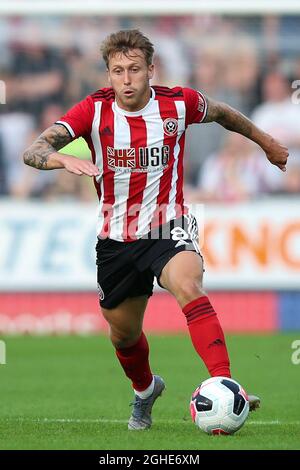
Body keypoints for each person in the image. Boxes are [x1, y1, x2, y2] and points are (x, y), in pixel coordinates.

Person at [23, 30, 288, 431]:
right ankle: (146, 391)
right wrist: (62, 160)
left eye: (134, 70)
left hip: (168, 223)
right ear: (108, 75)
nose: (126, 79)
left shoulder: (178, 103)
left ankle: (225, 382)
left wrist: (267, 143)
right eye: (117, 71)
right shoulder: (92, 112)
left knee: (188, 283)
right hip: (116, 236)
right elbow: (34, 151)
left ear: (151, 69)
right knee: (123, 335)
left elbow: (222, 113)